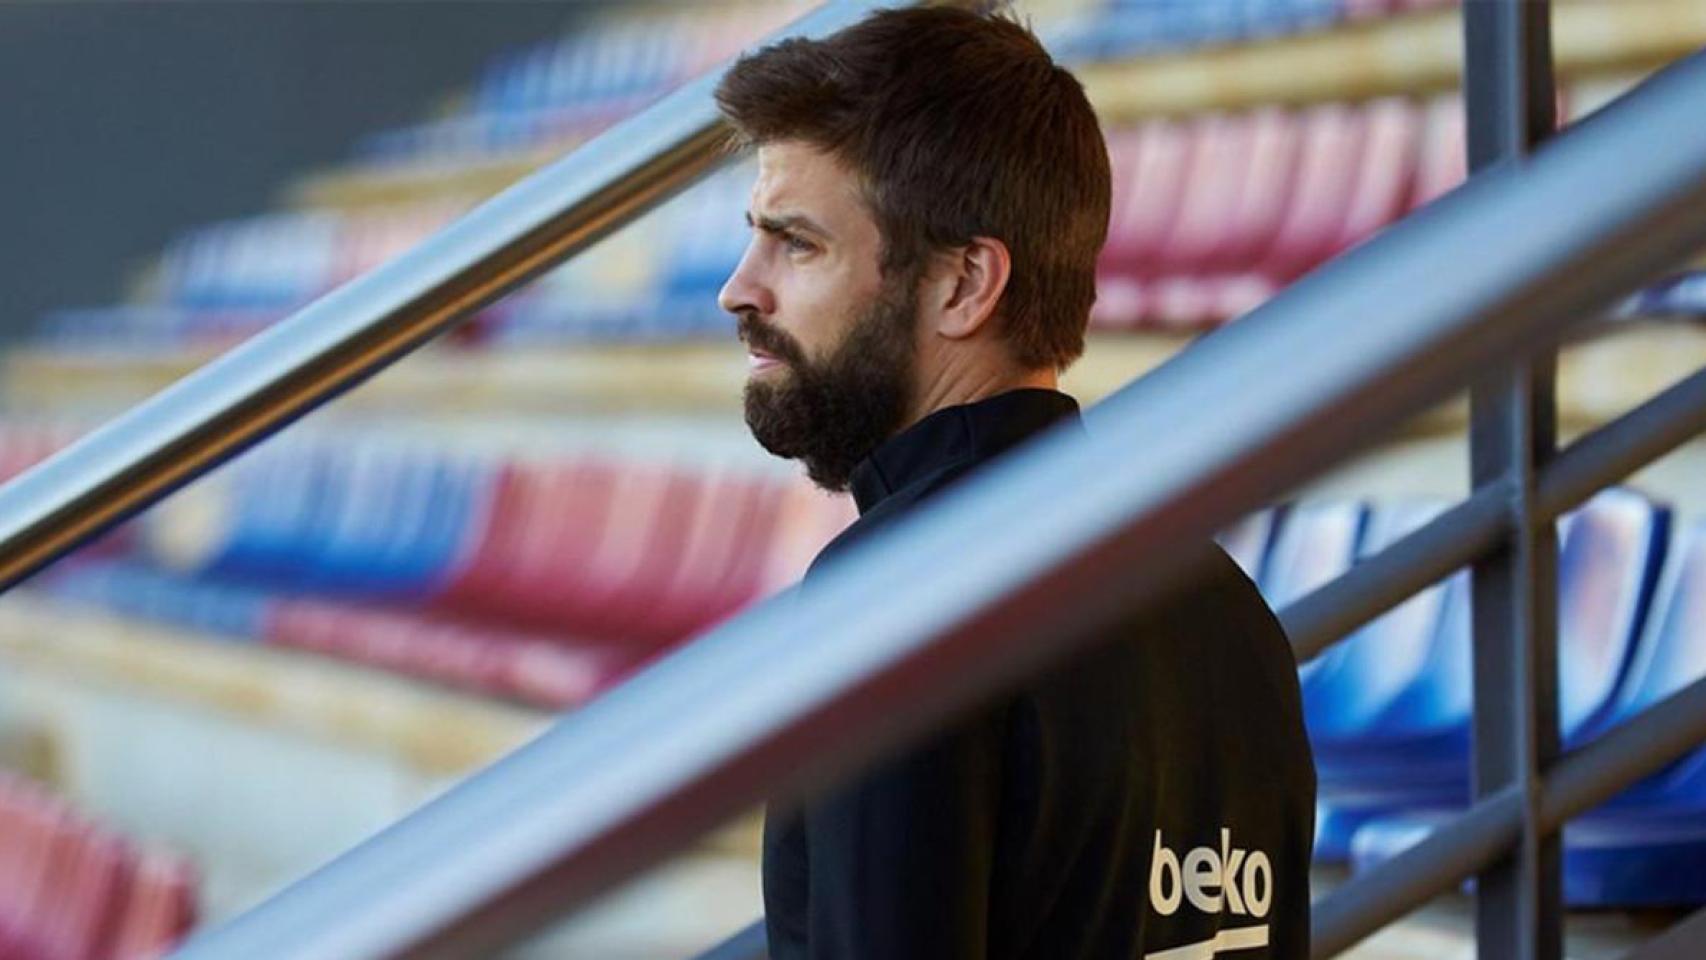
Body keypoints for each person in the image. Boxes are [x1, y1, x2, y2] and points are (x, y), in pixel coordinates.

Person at [714, 7, 1315, 958]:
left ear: (964, 285)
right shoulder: (1232, 613)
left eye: (798, 243)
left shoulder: (898, 598)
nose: (740, 288)